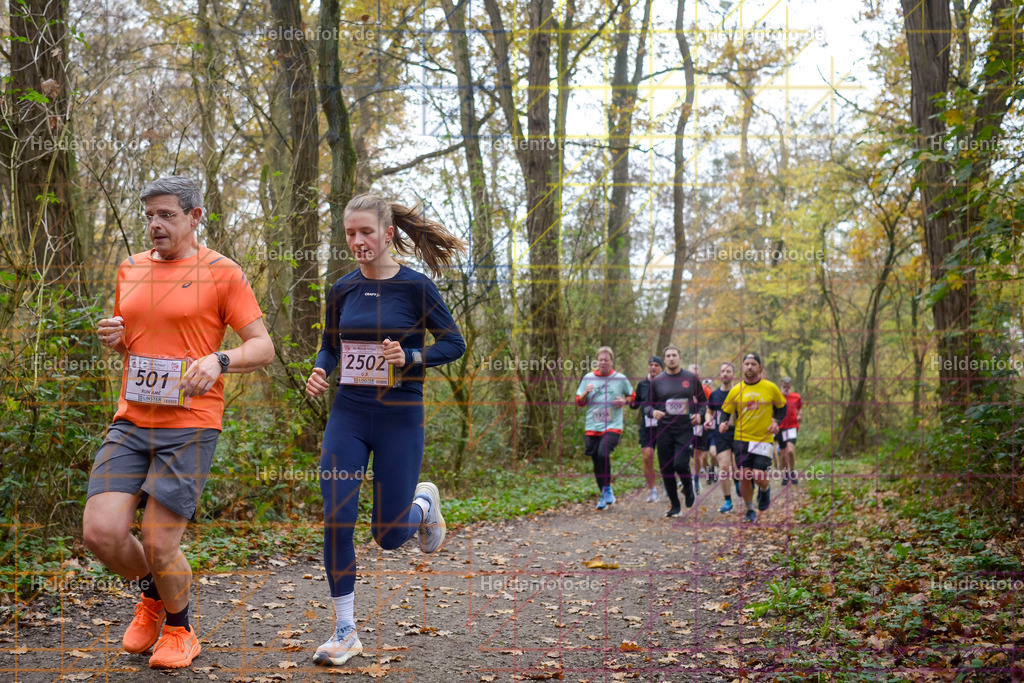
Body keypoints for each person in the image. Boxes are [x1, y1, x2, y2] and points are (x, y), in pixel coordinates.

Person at [84, 176, 274, 669]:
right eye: (148, 215)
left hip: (190, 422)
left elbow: (263, 346)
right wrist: (116, 336)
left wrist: (220, 360)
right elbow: (139, 337)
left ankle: (179, 627)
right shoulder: (130, 269)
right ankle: (155, 592)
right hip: (131, 419)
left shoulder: (223, 272)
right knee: (101, 533)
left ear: (195, 217)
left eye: (166, 215)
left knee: (159, 539)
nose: (154, 225)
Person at [305, 194, 466, 667]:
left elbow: (454, 344)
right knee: (336, 515)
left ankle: (422, 505)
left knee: (389, 536)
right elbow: (329, 346)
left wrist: (411, 357)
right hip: (349, 413)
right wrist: (320, 369)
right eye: (349, 233)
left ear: (388, 233)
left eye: (366, 233)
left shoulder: (417, 288)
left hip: (400, 416)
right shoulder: (341, 289)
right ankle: (345, 632)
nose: (356, 242)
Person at [718, 353, 786, 523]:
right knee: (744, 475)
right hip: (742, 439)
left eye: (753, 364)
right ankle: (750, 509)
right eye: (746, 364)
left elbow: (782, 408)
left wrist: (776, 422)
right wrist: (723, 423)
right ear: (743, 367)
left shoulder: (770, 388)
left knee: (759, 476)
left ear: (759, 368)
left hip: (764, 439)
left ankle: (765, 489)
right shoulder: (736, 390)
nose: (749, 367)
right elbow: (725, 411)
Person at [645, 346, 705, 517]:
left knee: (680, 464)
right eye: (668, 356)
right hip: (664, 430)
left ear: (679, 358)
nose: (671, 358)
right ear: (664, 360)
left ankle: (688, 488)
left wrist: (699, 415)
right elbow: (647, 405)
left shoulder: (691, 378)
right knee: (666, 469)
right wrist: (653, 412)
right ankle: (675, 505)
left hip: (685, 428)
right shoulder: (657, 381)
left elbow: (702, 401)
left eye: (674, 355)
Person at [576, 347, 633, 509]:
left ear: (611, 362)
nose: (603, 362)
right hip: (592, 426)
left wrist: (624, 401)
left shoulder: (620, 378)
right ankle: (604, 493)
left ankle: (607, 488)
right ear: (597, 361)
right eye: (600, 360)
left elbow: (632, 396)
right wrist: (586, 392)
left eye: (606, 360)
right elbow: (579, 401)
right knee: (596, 459)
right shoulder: (589, 377)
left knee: (603, 452)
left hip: (613, 425)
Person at [629, 356, 663, 502]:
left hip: (664, 426)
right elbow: (635, 404)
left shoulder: (667, 383)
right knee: (647, 456)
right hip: (647, 426)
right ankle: (652, 489)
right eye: (651, 365)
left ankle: (669, 484)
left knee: (666, 458)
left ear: (661, 368)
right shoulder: (642, 385)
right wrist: (626, 401)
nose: (653, 367)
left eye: (656, 365)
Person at [705, 363, 737, 513]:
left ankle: (738, 481)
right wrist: (708, 420)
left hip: (739, 433)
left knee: (737, 469)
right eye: (722, 371)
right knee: (724, 467)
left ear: (733, 375)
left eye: (728, 371)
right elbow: (709, 411)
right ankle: (728, 501)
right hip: (721, 434)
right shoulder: (715, 394)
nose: (725, 374)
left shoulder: (739, 392)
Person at [776, 377, 803, 485]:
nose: (786, 388)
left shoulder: (796, 396)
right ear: (781, 385)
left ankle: (792, 471)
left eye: (788, 386)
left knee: (790, 450)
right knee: (783, 455)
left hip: (792, 426)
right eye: (784, 386)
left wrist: (800, 414)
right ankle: (785, 474)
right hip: (780, 427)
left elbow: (800, 407)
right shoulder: (777, 397)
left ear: (790, 386)